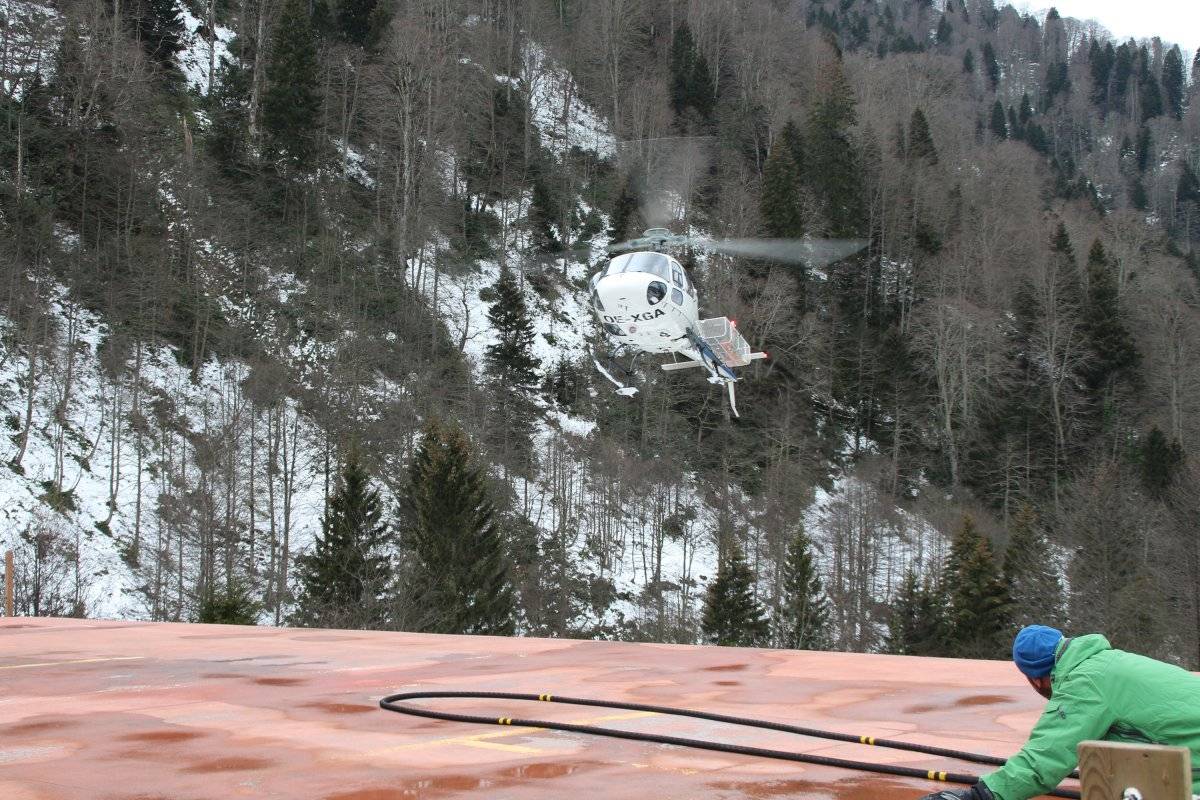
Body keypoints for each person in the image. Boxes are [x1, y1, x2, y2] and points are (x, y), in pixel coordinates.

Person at [918, 625, 1200, 800]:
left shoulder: (1084, 683)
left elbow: (1043, 760)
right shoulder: (1106, 662)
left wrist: (979, 796)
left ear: (1036, 679)